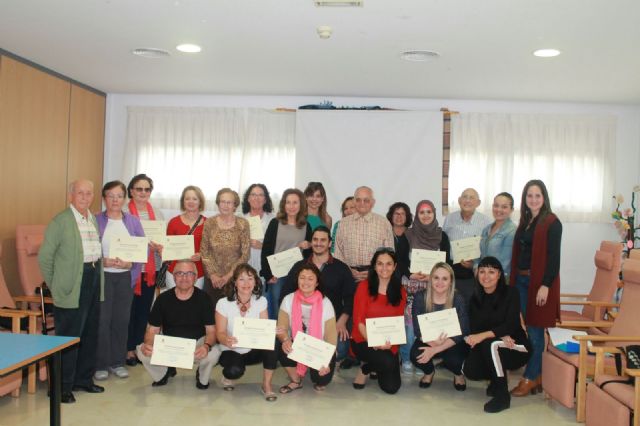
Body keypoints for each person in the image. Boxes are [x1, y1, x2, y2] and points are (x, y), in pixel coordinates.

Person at [38, 179, 105, 404]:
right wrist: (56, 285)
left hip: (93, 277)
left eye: (89, 193)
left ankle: (83, 380)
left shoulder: (92, 218)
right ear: (71, 196)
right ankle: (60, 387)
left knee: (89, 334)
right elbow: (45, 257)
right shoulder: (61, 221)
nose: (85, 197)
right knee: (68, 338)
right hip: (71, 285)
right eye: (80, 193)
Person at [509, 179, 562, 397]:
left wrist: (545, 286)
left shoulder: (552, 222)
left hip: (538, 284)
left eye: (537, 195)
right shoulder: (526, 221)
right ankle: (537, 375)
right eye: (529, 196)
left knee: (536, 332)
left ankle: (529, 378)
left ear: (544, 197)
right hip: (521, 281)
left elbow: (553, 258)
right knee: (527, 329)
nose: (533, 199)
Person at [136, 260, 221, 389]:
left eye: (189, 273)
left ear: (196, 277)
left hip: (196, 346)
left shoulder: (204, 298)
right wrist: (148, 344)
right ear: (174, 276)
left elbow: (211, 331)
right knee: (141, 350)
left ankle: (202, 375)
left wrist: (206, 346)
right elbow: (152, 330)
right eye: (180, 273)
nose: (184, 277)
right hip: (169, 347)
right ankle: (163, 373)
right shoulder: (163, 299)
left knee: (214, 353)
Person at [279, 226, 355, 367]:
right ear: (311, 241)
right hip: (301, 323)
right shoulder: (299, 266)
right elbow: (285, 294)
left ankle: (319, 362)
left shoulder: (341, 268)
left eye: (323, 240)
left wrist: (342, 321)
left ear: (329, 243)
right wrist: (289, 328)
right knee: (283, 347)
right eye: (315, 239)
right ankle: (305, 362)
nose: (318, 243)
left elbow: (350, 297)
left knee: (341, 349)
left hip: (331, 323)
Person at [463, 256, 531, 413]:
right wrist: (497, 335)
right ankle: (496, 379)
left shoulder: (511, 293)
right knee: (471, 370)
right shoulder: (475, 298)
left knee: (490, 344)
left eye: (491, 272)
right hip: (497, 342)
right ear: (477, 274)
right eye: (482, 271)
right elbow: (475, 329)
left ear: (499, 274)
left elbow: (512, 324)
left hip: (516, 345)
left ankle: (502, 396)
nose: (486, 276)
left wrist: (492, 335)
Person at [94, 181, 145, 381]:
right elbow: (88, 249)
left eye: (119, 196)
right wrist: (102, 261)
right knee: (103, 321)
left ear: (125, 198)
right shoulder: (95, 220)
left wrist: (129, 264)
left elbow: (142, 250)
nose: (115, 200)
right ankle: (101, 364)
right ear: (104, 198)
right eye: (110, 195)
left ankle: (117, 362)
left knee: (121, 321)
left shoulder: (132, 221)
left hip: (124, 278)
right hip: (103, 277)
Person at [400, 199, 452, 374]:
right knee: (409, 327)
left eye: (429, 212)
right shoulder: (408, 234)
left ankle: (423, 359)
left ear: (434, 213)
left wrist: (434, 276)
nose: (425, 215)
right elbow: (400, 261)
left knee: (428, 325)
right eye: (422, 212)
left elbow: (447, 262)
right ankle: (407, 358)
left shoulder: (442, 236)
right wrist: (410, 273)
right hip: (412, 286)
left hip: (434, 287)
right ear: (417, 215)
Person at [215, 264, 278, 401]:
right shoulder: (223, 303)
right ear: (235, 282)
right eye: (241, 279)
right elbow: (219, 333)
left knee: (272, 345)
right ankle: (228, 376)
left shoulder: (261, 301)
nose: (246, 283)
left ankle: (266, 385)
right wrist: (226, 340)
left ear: (255, 282)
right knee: (233, 371)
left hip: (253, 349)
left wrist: (271, 331)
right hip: (231, 349)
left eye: (250, 278)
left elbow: (264, 329)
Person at [350, 248, 407, 394]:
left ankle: (369, 367)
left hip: (388, 343)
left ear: (394, 267)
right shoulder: (363, 287)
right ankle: (365, 369)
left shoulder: (401, 291)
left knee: (392, 388)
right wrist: (374, 342)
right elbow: (359, 321)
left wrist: (390, 344)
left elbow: (398, 323)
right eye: (380, 264)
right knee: (387, 362)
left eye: (388, 264)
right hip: (363, 339)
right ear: (374, 266)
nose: (384, 268)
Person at [276, 264, 337, 393]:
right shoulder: (288, 299)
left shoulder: (326, 303)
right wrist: (285, 339)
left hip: (318, 347)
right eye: (302, 278)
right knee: (279, 345)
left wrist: (326, 358)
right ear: (297, 280)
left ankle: (316, 370)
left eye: (310, 278)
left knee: (321, 380)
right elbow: (281, 327)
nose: (305, 282)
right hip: (296, 343)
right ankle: (296, 380)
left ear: (316, 283)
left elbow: (331, 335)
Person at [124, 173, 164, 366]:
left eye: (147, 189)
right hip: (129, 269)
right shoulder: (123, 211)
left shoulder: (157, 212)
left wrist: (160, 246)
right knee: (128, 310)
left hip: (150, 270)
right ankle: (127, 349)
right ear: (131, 191)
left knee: (143, 311)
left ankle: (139, 348)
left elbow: (163, 239)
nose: (143, 192)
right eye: (138, 189)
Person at [410, 262, 468, 390]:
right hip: (428, 339)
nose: (440, 282)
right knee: (415, 355)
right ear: (430, 279)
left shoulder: (458, 299)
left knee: (454, 360)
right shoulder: (420, 297)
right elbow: (417, 329)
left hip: (452, 341)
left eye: (445, 278)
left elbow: (461, 332)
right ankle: (429, 372)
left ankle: (458, 374)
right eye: (436, 278)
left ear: (451, 282)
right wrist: (432, 343)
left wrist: (435, 349)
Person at [261, 188, 312, 319]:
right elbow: (266, 250)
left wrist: (308, 246)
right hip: (276, 276)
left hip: (296, 276)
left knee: (295, 310)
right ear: (284, 204)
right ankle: (279, 339)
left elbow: (309, 254)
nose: (291, 206)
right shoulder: (275, 223)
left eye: (295, 202)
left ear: (301, 204)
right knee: (278, 309)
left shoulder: (306, 226)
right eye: (288, 202)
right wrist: (267, 275)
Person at [201, 188, 250, 308]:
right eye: (222, 202)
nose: (226, 205)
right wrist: (213, 275)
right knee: (211, 313)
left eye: (229, 202)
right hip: (212, 280)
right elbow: (204, 251)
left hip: (235, 279)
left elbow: (245, 254)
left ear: (235, 205)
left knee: (231, 314)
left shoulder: (243, 224)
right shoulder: (209, 223)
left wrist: (228, 276)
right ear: (218, 203)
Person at [334, 186, 394, 282]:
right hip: (348, 277)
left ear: (373, 202)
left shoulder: (383, 223)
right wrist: (348, 271)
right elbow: (338, 254)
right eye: (358, 200)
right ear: (354, 201)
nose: (362, 203)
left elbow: (389, 254)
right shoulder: (343, 224)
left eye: (366, 200)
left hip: (376, 278)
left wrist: (374, 271)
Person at [442, 188, 491, 303]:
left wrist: (474, 264)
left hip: (471, 273)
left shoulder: (486, 222)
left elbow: (487, 249)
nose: (467, 200)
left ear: (478, 203)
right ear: (459, 200)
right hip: (450, 271)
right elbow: (443, 242)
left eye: (471, 198)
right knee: (449, 307)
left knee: (469, 307)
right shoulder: (449, 219)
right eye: (465, 197)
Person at [164, 186, 206, 291]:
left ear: (200, 202)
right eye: (187, 198)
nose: (190, 201)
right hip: (175, 271)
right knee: (174, 304)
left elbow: (211, 249)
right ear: (183, 201)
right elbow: (167, 248)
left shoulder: (208, 224)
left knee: (194, 305)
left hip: (197, 271)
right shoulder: (173, 222)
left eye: (194, 199)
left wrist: (201, 255)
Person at [476, 192, 516, 278]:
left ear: (511, 210)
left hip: (500, 279)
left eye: (504, 207)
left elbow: (505, 263)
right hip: (483, 278)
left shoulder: (512, 231)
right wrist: (476, 268)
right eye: (496, 205)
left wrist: (486, 275)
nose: (499, 209)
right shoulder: (486, 229)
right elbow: (479, 254)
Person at [241, 183, 276, 279]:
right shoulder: (240, 219)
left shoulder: (273, 219)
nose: (257, 198)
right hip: (245, 268)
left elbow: (279, 245)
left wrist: (262, 246)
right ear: (248, 198)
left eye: (260, 195)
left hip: (266, 268)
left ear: (265, 200)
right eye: (253, 195)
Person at [386, 202, 412, 279]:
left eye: (402, 214)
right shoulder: (384, 234)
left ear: (407, 216)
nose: (399, 216)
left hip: (410, 275)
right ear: (391, 216)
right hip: (389, 274)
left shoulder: (413, 234)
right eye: (396, 213)